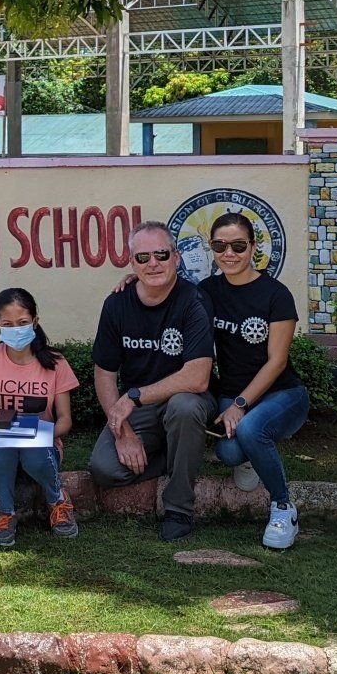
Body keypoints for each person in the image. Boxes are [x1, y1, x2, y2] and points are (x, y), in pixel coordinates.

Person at [88, 221, 216, 541]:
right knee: (104, 469)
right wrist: (123, 431)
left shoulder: (193, 301)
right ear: (132, 264)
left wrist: (132, 397)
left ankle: (179, 508)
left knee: (184, 407)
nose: (153, 263)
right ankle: (179, 454)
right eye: (143, 257)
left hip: (186, 399)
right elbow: (104, 373)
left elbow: (198, 378)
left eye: (160, 254)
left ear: (176, 257)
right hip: (141, 411)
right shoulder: (116, 304)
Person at [197, 212, 307, 550]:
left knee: (249, 429)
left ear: (253, 247)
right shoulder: (207, 290)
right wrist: (133, 278)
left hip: (283, 393)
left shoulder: (276, 294)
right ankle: (251, 455)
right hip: (232, 391)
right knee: (229, 452)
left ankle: (283, 508)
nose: (229, 253)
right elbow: (165, 292)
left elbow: (278, 361)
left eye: (238, 245)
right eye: (220, 245)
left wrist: (240, 406)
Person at [0, 288, 81, 546]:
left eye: (22, 323)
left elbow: (65, 420)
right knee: (1, 446)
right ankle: (5, 513)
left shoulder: (55, 362)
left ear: (35, 321)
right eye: (7, 324)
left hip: (43, 444)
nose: (16, 329)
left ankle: (58, 501)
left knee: (32, 451)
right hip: (1, 439)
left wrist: (40, 433)